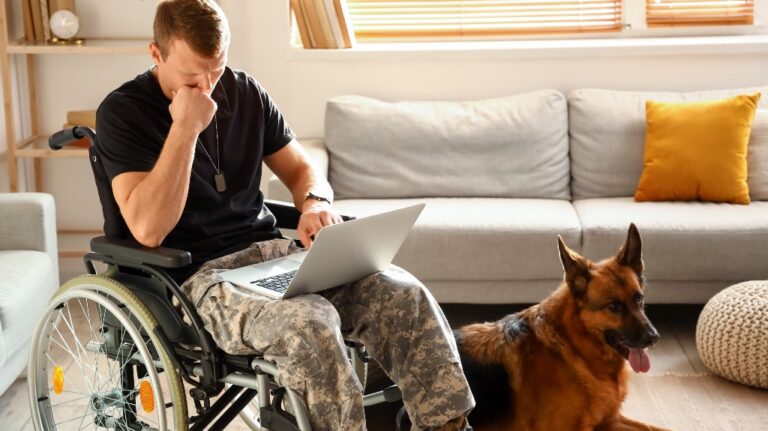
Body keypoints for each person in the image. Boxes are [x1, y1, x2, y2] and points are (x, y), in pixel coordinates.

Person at [95, 1, 474, 429]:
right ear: (155, 54)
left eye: (216, 71)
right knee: (311, 325)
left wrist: (315, 202)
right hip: (197, 280)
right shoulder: (122, 112)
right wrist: (184, 128)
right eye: (191, 77)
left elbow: (301, 169)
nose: (207, 88)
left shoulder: (246, 92)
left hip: (272, 255)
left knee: (403, 293)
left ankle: (447, 425)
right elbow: (147, 229)